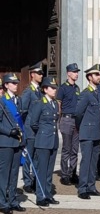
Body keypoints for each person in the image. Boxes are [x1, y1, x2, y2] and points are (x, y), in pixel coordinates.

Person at [75, 65, 100, 199]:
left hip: (96, 131)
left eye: (99, 75)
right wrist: (82, 127)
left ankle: (91, 186)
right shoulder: (85, 94)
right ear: (89, 77)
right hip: (87, 131)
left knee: (93, 161)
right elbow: (78, 113)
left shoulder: (97, 92)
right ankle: (82, 189)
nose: (99, 77)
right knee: (86, 161)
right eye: (96, 75)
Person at [30, 76, 60, 207]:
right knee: (42, 170)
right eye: (52, 88)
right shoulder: (39, 103)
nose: (54, 90)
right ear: (45, 89)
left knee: (49, 170)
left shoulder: (54, 103)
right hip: (43, 140)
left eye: (55, 88)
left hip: (52, 140)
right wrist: (42, 133)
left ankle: (48, 194)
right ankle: (40, 195)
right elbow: (33, 123)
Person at [0, 73, 25, 213]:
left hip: (17, 142)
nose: (16, 85)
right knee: (4, 174)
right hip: (5, 142)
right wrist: (9, 132)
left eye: (16, 83)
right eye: (13, 83)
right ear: (6, 85)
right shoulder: (2, 101)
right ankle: (2, 202)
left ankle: (13, 200)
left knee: (15, 173)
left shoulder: (18, 100)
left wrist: (23, 139)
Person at [21, 61, 44, 193]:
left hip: (38, 130)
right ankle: (27, 182)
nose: (41, 75)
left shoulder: (40, 92)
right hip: (29, 129)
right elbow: (22, 110)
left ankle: (35, 180)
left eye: (41, 73)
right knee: (28, 156)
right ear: (32, 75)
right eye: (39, 73)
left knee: (36, 156)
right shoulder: (28, 92)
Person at [57, 63, 80, 185]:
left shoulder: (77, 88)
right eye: (74, 72)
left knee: (75, 149)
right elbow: (59, 105)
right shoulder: (63, 88)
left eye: (77, 72)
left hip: (76, 120)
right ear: (68, 73)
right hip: (66, 119)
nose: (76, 74)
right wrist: (59, 119)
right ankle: (65, 174)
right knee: (66, 148)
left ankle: (73, 172)